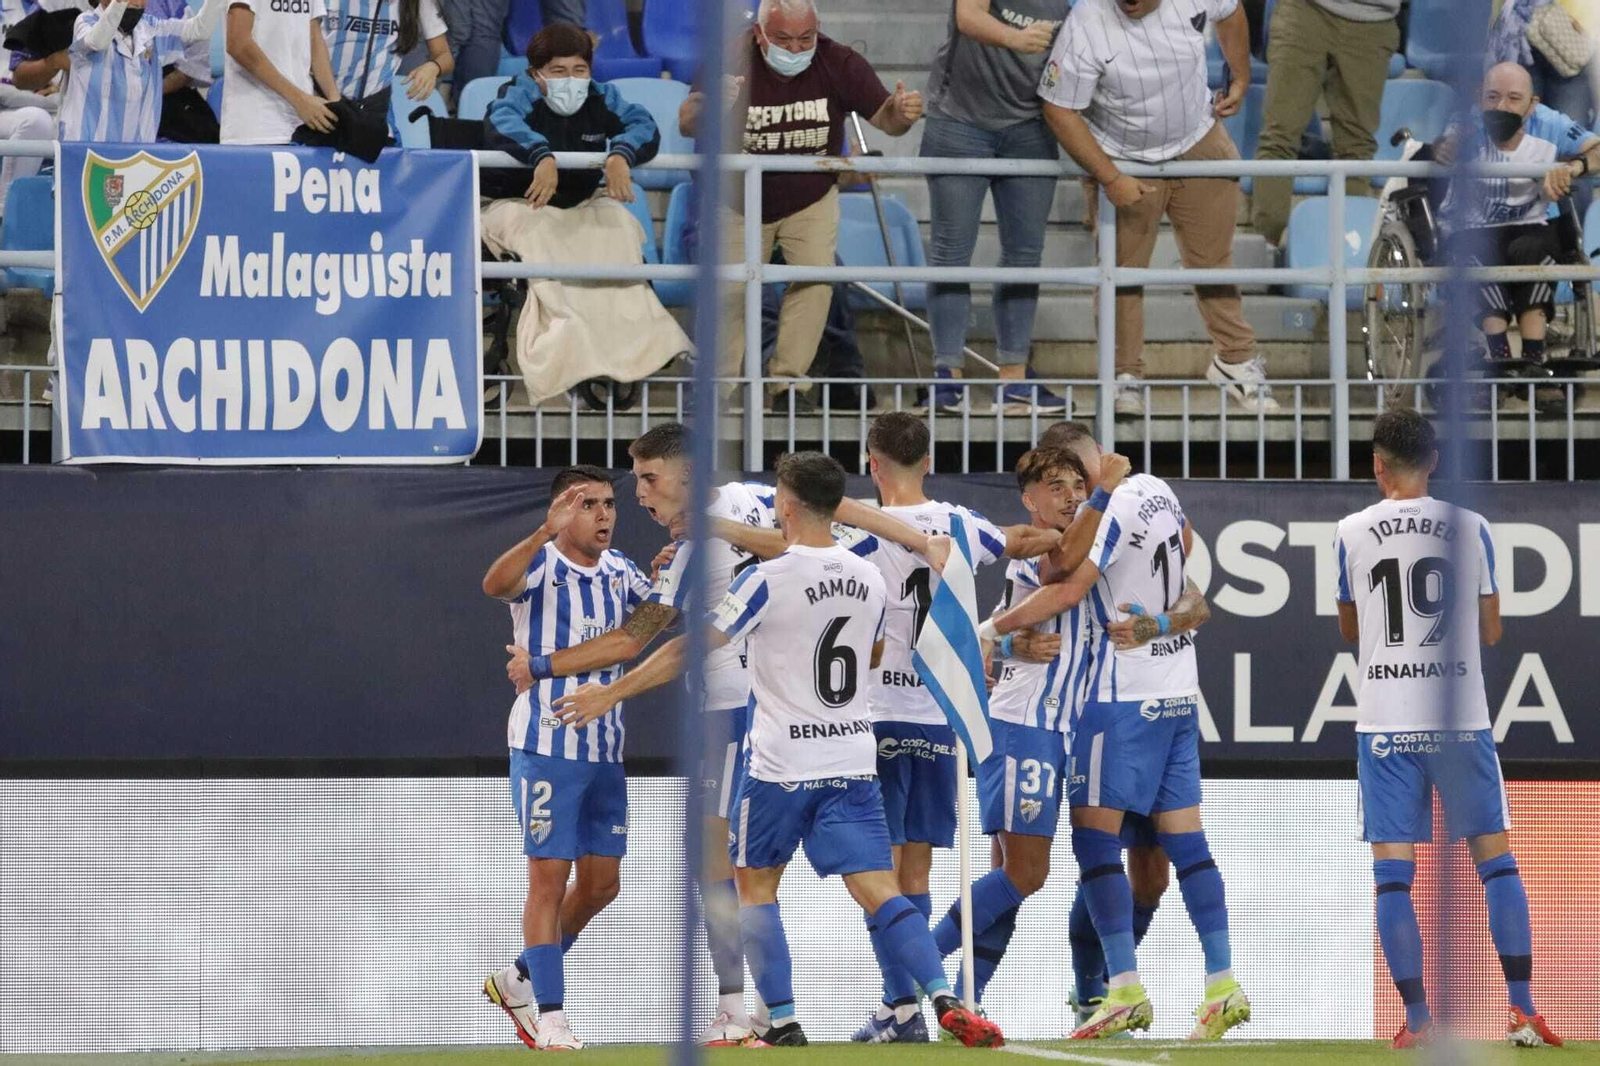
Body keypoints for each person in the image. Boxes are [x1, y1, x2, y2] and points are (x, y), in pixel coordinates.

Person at [497, 421, 951, 1046]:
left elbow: (640, 638)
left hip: (737, 715)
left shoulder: (718, 525)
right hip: (794, 720)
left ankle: (741, 1007)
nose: (640, 496)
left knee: (728, 868)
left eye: (649, 480)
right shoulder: (715, 525)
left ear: (686, 474)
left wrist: (546, 667)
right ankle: (815, 1005)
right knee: (756, 869)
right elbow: (828, 519)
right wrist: (922, 541)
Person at [981, 432, 1249, 1041]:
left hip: (1119, 698)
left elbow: (1064, 578)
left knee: (1094, 845)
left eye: (1078, 479)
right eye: (1063, 485)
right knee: (1186, 843)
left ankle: (1120, 987)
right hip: (1179, 691)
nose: (1075, 494)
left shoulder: (1108, 508)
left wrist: (988, 631)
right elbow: (1192, 584)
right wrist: (1160, 621)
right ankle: (1221, 982)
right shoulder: (1158, 491)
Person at [1332, 409, 1564, 1050]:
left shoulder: (1350, 532)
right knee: (1496, 865)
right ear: (1434, 461)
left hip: (1385, 722)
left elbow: (1351, 632)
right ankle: (1522, 1011)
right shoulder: (1472, 527)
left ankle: (1417, 1019)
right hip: (1458, 718)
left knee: (1392, 876)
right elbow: (1492, 630)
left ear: (1377, 465)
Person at [843, 411, 1060, 1043]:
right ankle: (907, 1007)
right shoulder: (962, 525)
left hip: (876, 716)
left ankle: (902, 1010)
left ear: (872, 463)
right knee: (918, 874)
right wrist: (1061, 532)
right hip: (940, 719)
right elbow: (1017, 539)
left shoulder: (854, 532)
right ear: (929, 462)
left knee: (881, 878)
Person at [476, 465, 652, 1052]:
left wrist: (671, 580)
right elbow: (494, 586)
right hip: (546, 746)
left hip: (605, 748)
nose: (605, 515)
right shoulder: (544, 565)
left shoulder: (622, 570)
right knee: (548, 880)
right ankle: (551, 1016)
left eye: (609, 504)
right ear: (562, 512)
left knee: (603, 885)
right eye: (590, 506)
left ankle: (521, 977)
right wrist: (538, 534)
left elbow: (648, 628)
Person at [678, 0, 924, 412]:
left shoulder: (839, 61)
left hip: (809, 196)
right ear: (759, 35)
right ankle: (716, 388)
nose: (794, 50)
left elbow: (886, 118)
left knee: (815, 282)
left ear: (818, 31)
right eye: (783, 40)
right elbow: (686, 122)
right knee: (731, 289)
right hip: (734, 198)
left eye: (805, 39)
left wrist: (901, 113)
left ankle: (789, 386)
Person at [1038, 0, 1277, 417]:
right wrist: (1109, 177)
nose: (1128, 2)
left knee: (1214, 262)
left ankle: (1234, 362)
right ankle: (1124, 376)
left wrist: (1240, 77)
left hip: (1199, 137)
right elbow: (1058, 108)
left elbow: (1232, 10)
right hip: (1122, 156)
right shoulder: (1087, 20)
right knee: (1122, 272)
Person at [480, 23, 691, 403]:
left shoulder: (602, 96)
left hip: (578, 203)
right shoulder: (517, 93)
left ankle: (637, 345)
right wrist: (540, 155)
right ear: (536, 73)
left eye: (579, 70)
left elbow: (642, 124)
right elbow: (501, 122)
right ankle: (565, 348)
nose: (571, 80)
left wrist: (620, 153)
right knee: (537, 232)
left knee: (621, 224)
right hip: (517, 203)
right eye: (558, 71)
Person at [922, 0, 1069, 414]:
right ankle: (946, 377)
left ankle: (1014, 381)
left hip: (1031, 124)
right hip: (958, 121)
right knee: (951, 252)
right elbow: (968, 16)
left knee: (1024, 256)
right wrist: (1015, 38)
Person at [1436, 62, 1600, 367]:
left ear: (1532, 104)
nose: (1501, 106)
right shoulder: (1467, 120)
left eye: (1513, 98)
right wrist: (1448, 148)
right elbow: (1444, 148)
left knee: (1535, 251)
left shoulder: (1548, 122)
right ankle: (1499, 354)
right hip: (1473, 230)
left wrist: (1573, 167)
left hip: (1530, 229)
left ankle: (1533, 357)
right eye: (1492, 96)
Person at [1249, 0, 1400, 248]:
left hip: (1374, 20)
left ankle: (1349, 251)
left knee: (1356, 148)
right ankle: (1268, 246)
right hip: (1304, 10)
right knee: (1279, 134)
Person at [57, 0, 224, 141]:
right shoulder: (85, 22)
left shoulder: (150, 27)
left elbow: (199, 30)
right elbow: (96, 42)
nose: (137, 2)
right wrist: (120, 3)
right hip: (85, 152)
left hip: (137, 155)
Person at [222, 0, 341, 144]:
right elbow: (238, 44)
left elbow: (314, 40)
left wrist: (336, 102)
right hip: (257, 129)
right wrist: (300, 100)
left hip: (306, 125)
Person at [322, 0, 452, 114]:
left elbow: (445, 56)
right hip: (321, 103)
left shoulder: (418, 3)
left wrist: (433, 67)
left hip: (375, 111)